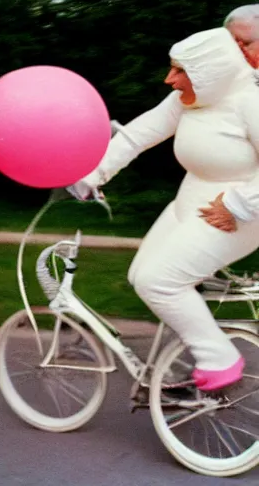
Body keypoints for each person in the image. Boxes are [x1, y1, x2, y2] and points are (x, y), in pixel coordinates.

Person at [68, 27, 259, 392]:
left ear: (210, 71)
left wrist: (238, 204)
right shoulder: (189, 101)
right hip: (190, 203)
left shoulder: (250, 102)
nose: (169, 79)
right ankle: (186, 351)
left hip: (238, 216)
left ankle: (220, 359)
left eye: (179, 70)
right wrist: (92, 176)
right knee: (141, 275)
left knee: (160, 281)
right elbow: (139, 133)